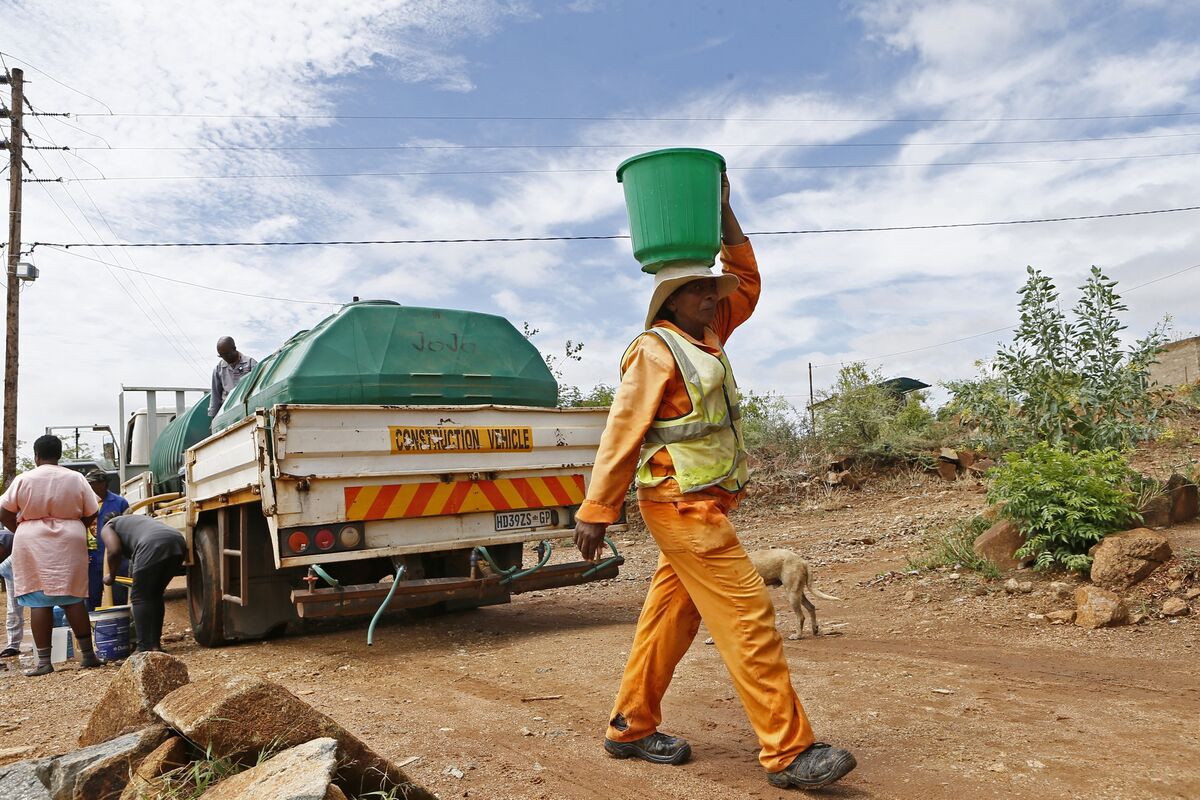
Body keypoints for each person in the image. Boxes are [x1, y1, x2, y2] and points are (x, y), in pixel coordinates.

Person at [573, 173, 857, 790]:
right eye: (699, 289)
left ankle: (630, 725)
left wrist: (725, 212)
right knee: (748, 612)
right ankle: (787, 752)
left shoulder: (708, 337)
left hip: (701, 502)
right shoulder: (655, 349)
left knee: (668, 620)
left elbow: (747, 279)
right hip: (682, 508)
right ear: (671, 300)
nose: (712, 294)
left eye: (712, 288)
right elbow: (623, 430)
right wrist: (598, 507)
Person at [0, 435, 103, 675]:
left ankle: (44, 662)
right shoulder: (76, 478)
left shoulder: (24, 479)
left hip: (31, 539)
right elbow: (92, 511)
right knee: (73, 596)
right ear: (59, 454)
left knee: (38, 599)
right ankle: (88, 655)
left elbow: (3, 511)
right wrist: (75, 525)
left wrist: (22, 529)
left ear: (36, 455)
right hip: (70, 537)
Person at [100, 515, 186, 653]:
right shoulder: (134, 521)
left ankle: (143, 648)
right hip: (178, 542)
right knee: (155, 595)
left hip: (151, 545)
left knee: (139, 597)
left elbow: (113, 550)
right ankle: (155, 646)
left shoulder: (108, 526)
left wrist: (111, 576)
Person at [85, 470, 130, 610]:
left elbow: (127, 530)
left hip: (115, 558)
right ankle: (93, 630)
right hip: (91, 559)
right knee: (91, 601)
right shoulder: (83, 503)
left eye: (92, 483)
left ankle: (119, 628)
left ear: (103, 484)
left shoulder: (119, 502)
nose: (88, 487)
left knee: (118, 599)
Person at [209, 336, 258, 417]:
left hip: (247, 410)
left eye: (227, 354)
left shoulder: (250, 363)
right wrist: (213, 419)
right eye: (222, 355)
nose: (225, 358)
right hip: (228, 413)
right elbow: (215, 396)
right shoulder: (218, 369)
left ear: (234, 348)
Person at [0, 526, 24, 658]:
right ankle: (12, 645)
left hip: (23, 555)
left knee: (39, 603)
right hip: (11, 561)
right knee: (13, 605)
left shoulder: (5, 537)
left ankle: (45, 642)